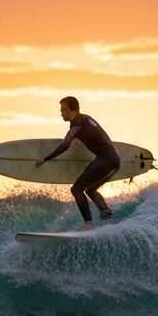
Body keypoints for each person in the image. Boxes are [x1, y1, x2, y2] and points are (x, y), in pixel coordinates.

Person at [35, 97, 120, 229]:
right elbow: (93, 135)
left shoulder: (76, 124)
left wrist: (45, 159)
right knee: (90, 190)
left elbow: (65, 145)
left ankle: (88, 224)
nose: (61, 112)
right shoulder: (86, 119)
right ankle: (106, 214)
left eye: (64, 109)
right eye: (61, 110)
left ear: (73, 111)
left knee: (76, 189)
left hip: (105, 159)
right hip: (115, 159)